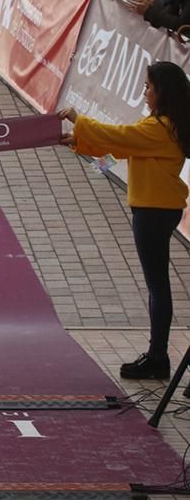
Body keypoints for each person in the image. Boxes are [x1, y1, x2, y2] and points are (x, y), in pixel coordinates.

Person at [58, 62, 190, 380]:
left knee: (158, 286)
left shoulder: (159, 128)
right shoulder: (164, 124)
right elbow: (121, 146)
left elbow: (117, 136)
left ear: (163, 92)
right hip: (160, 208)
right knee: (157, 285)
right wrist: (77, 141)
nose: (144, 92)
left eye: (148, 87)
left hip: (153, 211)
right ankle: (157, 354)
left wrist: (79, 120)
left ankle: (158, 356)